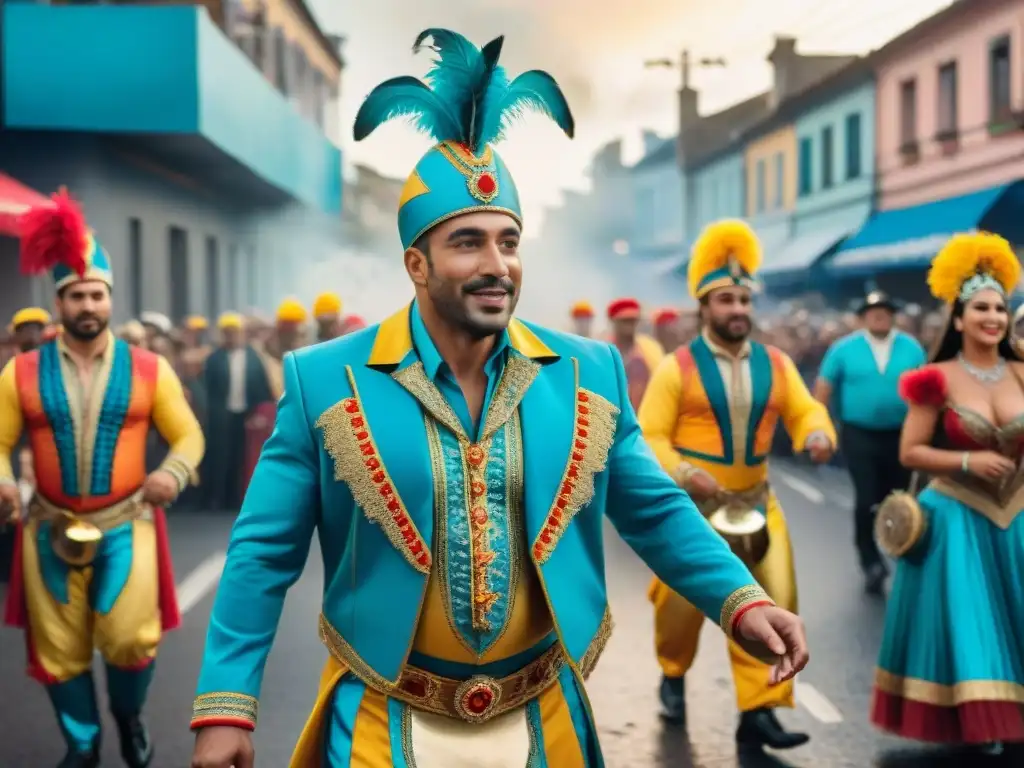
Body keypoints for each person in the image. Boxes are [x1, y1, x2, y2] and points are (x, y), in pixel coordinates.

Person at [188, 29, 809, 768]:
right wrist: (226, 707)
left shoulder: (588, 372)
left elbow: (655, 509)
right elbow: (261, 554)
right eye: (468, 243)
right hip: (384, 720)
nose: (496, 266)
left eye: (508, 242)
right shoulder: (325, 380)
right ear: (416, 263)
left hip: (544, 713)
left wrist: (742, 600)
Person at [0, 189, 205, 768]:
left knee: (129, 639)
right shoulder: (19, 371)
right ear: (58, 302)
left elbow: (189, 436)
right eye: (75, 295)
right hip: (48, 527)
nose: (87, 304)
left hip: (127, 523)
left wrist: (172, 472)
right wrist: (5, 484)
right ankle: (82, 743)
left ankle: (129, 721)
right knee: (58, 650)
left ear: (109, 300)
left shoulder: (151, 368)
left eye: (96, 294)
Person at [639, 219, 835, 750]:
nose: (738, 310)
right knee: (679, 607)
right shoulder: (676, 368)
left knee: (773, 600)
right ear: (704, 307)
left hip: (757, 505)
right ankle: (673, 674)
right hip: (692, 511)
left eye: (745, 300)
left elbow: (805, 409)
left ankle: (760, 710)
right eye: (726, 299)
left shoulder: (778, 363)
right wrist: (682, 471)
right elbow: (649, 434)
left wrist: (817, 433)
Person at [871, 232, 1024, 750]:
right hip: (957, 516)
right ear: (958, 318)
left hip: (1018, 515)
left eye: (1000, 308)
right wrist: (968, 458)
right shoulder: (934, 378)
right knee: (975, 624)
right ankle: (985, 721)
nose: (993, 317)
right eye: (980, 307)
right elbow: (909, 453)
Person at [814, 291, 926, 594]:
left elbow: (926, 391)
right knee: (866, 498)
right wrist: (819, 429)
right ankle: (869, 560)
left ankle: (901, 549)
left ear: (892, 315)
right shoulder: (843, 348)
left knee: (900, 497)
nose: (879, 315)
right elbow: (823, 389)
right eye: (873, 311)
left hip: (901, 434)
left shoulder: (911, 347)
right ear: (863, 317)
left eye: (885, 310)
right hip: (859, 433)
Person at [201, 312, 275, 511]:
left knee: (242, 457)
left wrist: (260, 412)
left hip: (247, 413)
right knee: (220, 456)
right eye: (228, 333)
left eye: (235, 332)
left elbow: (262, 386)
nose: (232, 337)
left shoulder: (253, 358)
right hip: (221, 415)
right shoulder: (214, 358)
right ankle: (216, 498)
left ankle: (237, 498)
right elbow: (208, 388)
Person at [606, 297, 664, 411]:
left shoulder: (651, 349)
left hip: (645, 417)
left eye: (632, 320)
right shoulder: (604, 351)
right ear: (613, 320)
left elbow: (661, 384)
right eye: (625, 320)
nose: (629, 325)